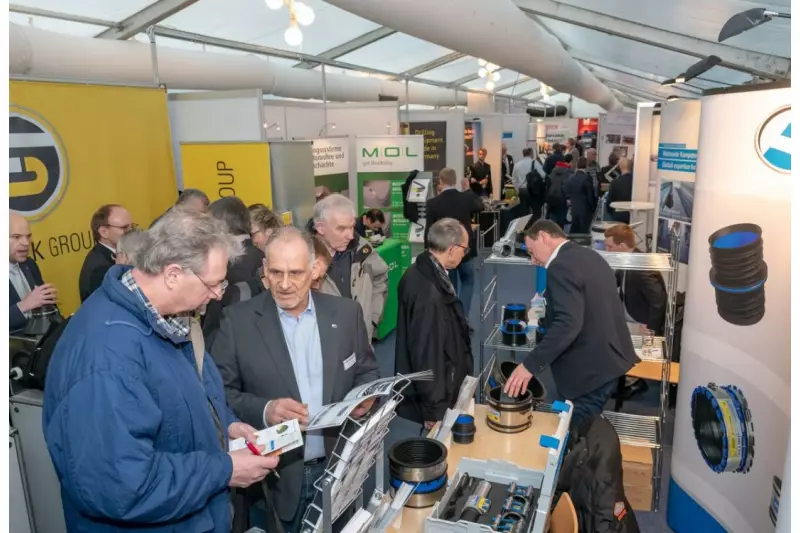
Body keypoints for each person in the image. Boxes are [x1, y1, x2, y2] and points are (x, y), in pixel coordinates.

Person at [43, 209, 279, 532]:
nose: (218, 294)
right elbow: (122, 487)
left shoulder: (171, 318)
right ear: (172, 275)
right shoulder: (107, 358)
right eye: (212, 284)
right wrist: (223, 471)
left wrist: (227, 425)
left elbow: (190, 396)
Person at [210, 226, 380, 533]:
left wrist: (364, 397)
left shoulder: (346, 314)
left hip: (338, 467)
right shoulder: (238, 322)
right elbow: (219, 394)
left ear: (315, 270)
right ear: (264, 269)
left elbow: (366, 370)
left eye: (295, 273)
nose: (285, 284)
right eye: (276, 272)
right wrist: (265, 409)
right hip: (276, 480)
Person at [503, 220, 640, 430]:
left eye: (531, 251)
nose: (532, 260)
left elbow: (568, 323)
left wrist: (529, 366)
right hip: (607, 362)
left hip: (589, 372)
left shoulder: (560, 267)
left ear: (543, 237)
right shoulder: (588, 255)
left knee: (576, 437)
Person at [395, 218, 474, 430]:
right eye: (463, 250)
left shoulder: (423, 271)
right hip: (437, 393)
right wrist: (432, 408)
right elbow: (426, 353)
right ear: (452, 249)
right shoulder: (429, 293)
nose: (463, 255)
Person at [312, 194, 389, 340]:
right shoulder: (303, 260)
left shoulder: (361, 249)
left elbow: (381, 277)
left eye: (351, 227)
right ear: (321, 228)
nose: (350, 236)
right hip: (327, 350)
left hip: (362, 345)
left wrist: (372, 317)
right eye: (341, 229)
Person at [425, 168, 484, 317]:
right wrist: (468, 190)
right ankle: (462, 317)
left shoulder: (432, 203)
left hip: (444, 251)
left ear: (440, 180)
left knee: (449, 285)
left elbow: (429, 231)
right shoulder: (465, 198)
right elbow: (480, 206)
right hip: (465, 250)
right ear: (456, 180)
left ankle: (452, 318)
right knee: (468, 281)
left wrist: (430, 253)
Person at [604, 225, 667, 334]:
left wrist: (651, 330)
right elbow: (614, 281)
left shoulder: (641, 268)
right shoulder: (628, 260)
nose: (607, 250)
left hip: (640, 324)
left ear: (622, 246)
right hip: (626, 314)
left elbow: (658, 302)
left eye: (610, 246)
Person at [9, 212, 57, 331]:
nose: (26, 243)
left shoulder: (29, 264)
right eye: (16, 237)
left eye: (28, 236)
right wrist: (23, 306)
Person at [79, 204, 134, 302]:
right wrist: (120, 271)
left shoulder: (121, 254)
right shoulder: (99, 269)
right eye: (125, 228)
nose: (131, 232)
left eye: (132, 226)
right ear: (104, 232)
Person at [565, 156, 596, 234]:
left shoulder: (571, 177)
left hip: (574, 208)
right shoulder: (587, 178)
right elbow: (590, 195)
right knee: (584, 232)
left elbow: (567, 191)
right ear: (586, 165)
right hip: (585, 209)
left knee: (574, 229)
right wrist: (593, 207)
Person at [546, 158, 572, 229]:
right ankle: (560, 234)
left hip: (551, 197)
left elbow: (548, 184)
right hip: (562, 198)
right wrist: (568, 197)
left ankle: (553, 232)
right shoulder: (568, 173)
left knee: (553, 217)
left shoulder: (553, 172)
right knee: (561, 218)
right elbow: (566, 186)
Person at [607, 157, 634, 223]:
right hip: (633, 216)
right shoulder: (636, 182)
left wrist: (613, 214)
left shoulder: (614, 182)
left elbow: (609, 203)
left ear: (619, 167)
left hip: (617, 216)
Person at [511, 147, 534, 214]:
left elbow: (514, 179)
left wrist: (517, 189)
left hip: (521, 190)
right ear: (531, 153)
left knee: (523, 210)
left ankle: (524, 223)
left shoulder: (517, 165)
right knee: (533, 210)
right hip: (532, 190)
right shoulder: (534, 163)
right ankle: (531, 223)